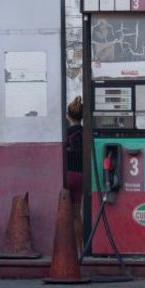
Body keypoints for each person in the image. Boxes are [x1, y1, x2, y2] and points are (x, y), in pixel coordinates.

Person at [64, 97, 85, 244]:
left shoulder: (63, 133)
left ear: (67, 116)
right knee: (77, 215)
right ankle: (80, 248)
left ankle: (66, 249)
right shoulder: (86, 133)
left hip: (66, 175)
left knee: (63, 214)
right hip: (82, 176)